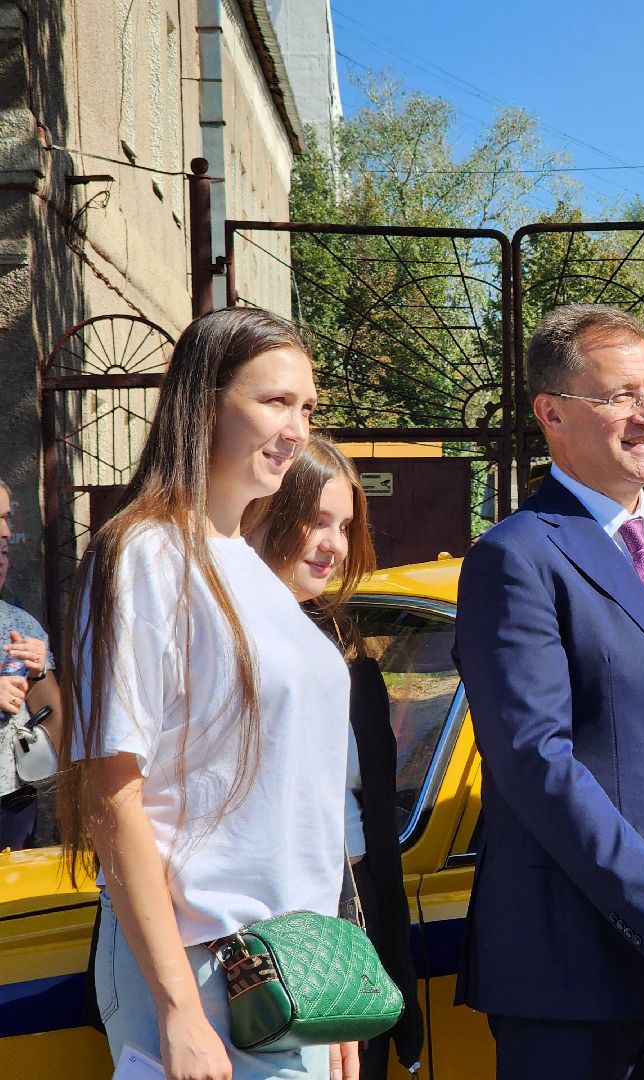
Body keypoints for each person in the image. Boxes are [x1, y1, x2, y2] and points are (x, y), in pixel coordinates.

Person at [58, 307, 358, 1080]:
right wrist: (178, 1008)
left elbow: (299, 804)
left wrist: (335, 970)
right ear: (204, 399)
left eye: (308, 407)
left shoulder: (251, 567)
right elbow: (111, 788)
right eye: (274, 401)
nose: (297, 429)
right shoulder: (146, 553)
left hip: (295, 973)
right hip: (206, 972)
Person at [451, 304, 644, 1079]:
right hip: (576, 972)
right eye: (621, 396)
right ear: (552, 413)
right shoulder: (515, 558)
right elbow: (533, 762)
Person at [244, 433, 424, 1079]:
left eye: (344, 525)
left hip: (354, 901)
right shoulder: (224, 636)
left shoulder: (339, 639)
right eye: (316, 521)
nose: (335, 544)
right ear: (264, 512)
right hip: (263, 924)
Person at [0, 529, 61, 849]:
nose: (5, 534)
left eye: (5, 553)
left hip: (13, 795)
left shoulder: (20, 624)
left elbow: (53, 716)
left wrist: (36, 675)